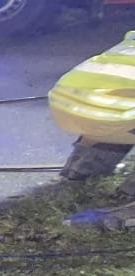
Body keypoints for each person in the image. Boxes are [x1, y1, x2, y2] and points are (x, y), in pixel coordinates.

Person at [49, 29, 135, 230]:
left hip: (69, 100)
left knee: (119, 114)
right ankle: (125, 215)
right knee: (123, 115)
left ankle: (77, 174)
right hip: (117, 112)